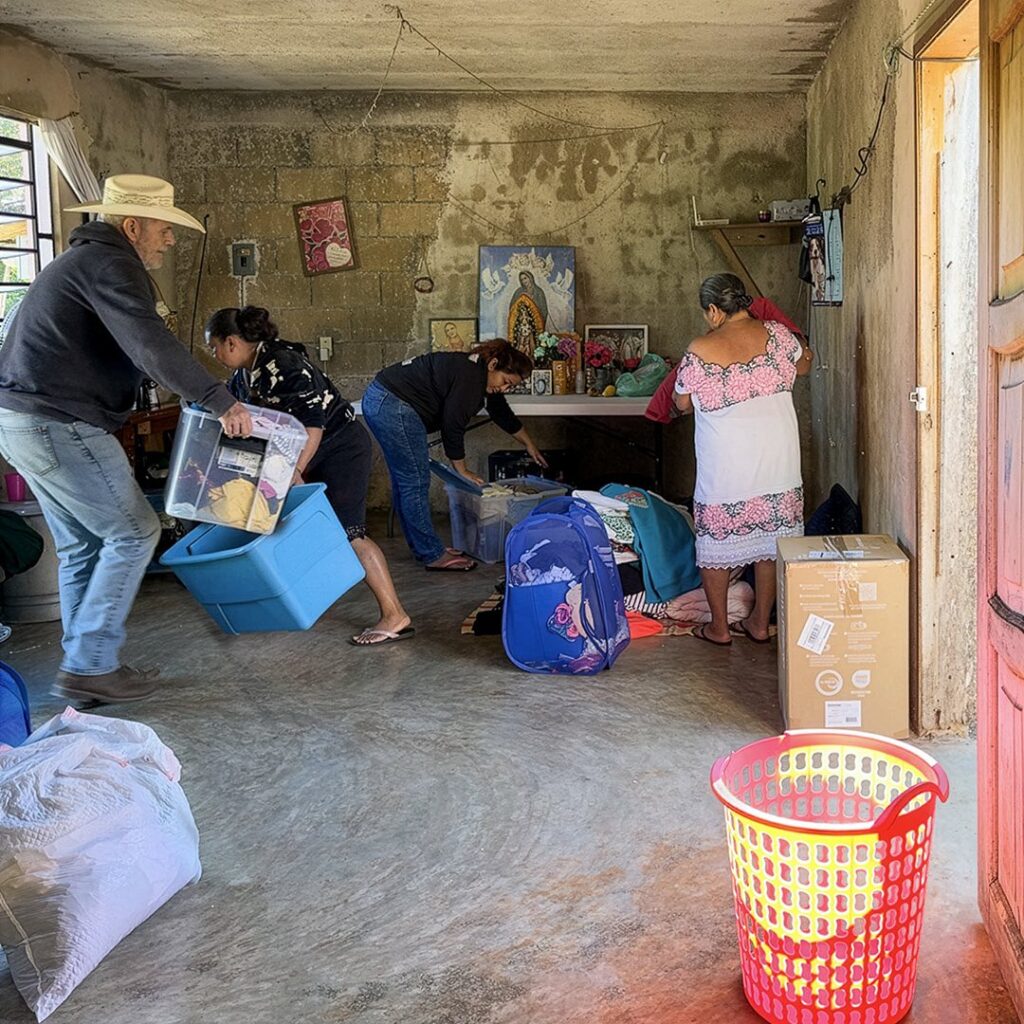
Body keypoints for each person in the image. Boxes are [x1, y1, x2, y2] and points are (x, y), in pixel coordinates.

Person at [0, 174, 252, 704]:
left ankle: (85, 666)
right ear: (132, 226)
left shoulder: (85, 262)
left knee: (82, 546)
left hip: (23, 418)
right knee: (135, 531)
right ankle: (90, 664)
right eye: (163, 229)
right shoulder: (111, 264)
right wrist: (217, 398)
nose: (170, 240)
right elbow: (148, 342)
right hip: (56, 420)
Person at [206, 306, 414, 647]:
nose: (213, 355)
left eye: (213, 346)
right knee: (287, 524)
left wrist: (295, 473)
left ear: (231, 342)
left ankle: (395, 615)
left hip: (340, 447)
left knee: (349, 533)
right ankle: (292, 603)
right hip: (306, 451)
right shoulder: (245, 376)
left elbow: (312, 428)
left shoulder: (283, 364)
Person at [673, 273, 813, 646]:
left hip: (726, 468)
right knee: (771, 543)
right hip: (777, 463)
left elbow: (682, 402)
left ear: (715, 310)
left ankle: (719, 627)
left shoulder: (699, 350)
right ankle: (759, 623)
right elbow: (804, 365)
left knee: (716, 546)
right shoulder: (779, 336)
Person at [362, 340, 546, 571]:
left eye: (510, 387)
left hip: (382, 399)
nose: (504, 389)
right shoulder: (471, 376)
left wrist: (529, 444)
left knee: (407, 481)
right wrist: (462, 470)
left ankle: (425, 548)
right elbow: (453, 425)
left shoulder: (477, 372)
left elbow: (500, 412)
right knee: (415, 482)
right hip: (392, 404)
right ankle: (432, 554)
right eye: (505, 382)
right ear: (494, 364)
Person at [507, 271, 548, 357]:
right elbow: (512, 308)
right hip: (522, 325)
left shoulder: (538, 292)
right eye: (521, 279)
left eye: (525, 278)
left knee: (533, 346)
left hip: (534, 325)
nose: (524, 281)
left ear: (530, 278)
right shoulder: (519, 292)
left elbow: (544, 310)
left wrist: (535, 317)